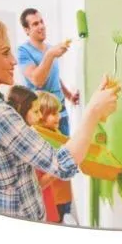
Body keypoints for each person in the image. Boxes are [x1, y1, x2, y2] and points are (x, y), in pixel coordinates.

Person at [0, 18, 117, 222]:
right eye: (5, 53)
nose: (13, 61)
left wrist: (70, 95)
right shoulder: (0, 114)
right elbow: (62, 165)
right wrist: (93, 111)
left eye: (42, 21)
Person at [17, 8, 79, 135]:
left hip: (61, 112)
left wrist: (69, 96)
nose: (41, 26)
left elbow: (54, 76)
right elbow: (37, 80)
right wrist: (50, 55)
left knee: (66, 146)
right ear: (26, 30)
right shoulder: (23, 51)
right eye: (35, 24)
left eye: (41, 22)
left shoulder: (50, 48)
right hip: (43, 116)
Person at [5, 85, 58, 223]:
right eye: (36, 111)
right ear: (21, 110)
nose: (39, 116)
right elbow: (38, 183)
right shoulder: (24, 143)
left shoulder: (32, 134)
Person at [37, 91, 74, 222]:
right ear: (40, 115)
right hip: (53, 197)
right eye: (53, 114)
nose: (58, 117)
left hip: (62, 193)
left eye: (58, 113)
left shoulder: (54, 131)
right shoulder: (42, 137)